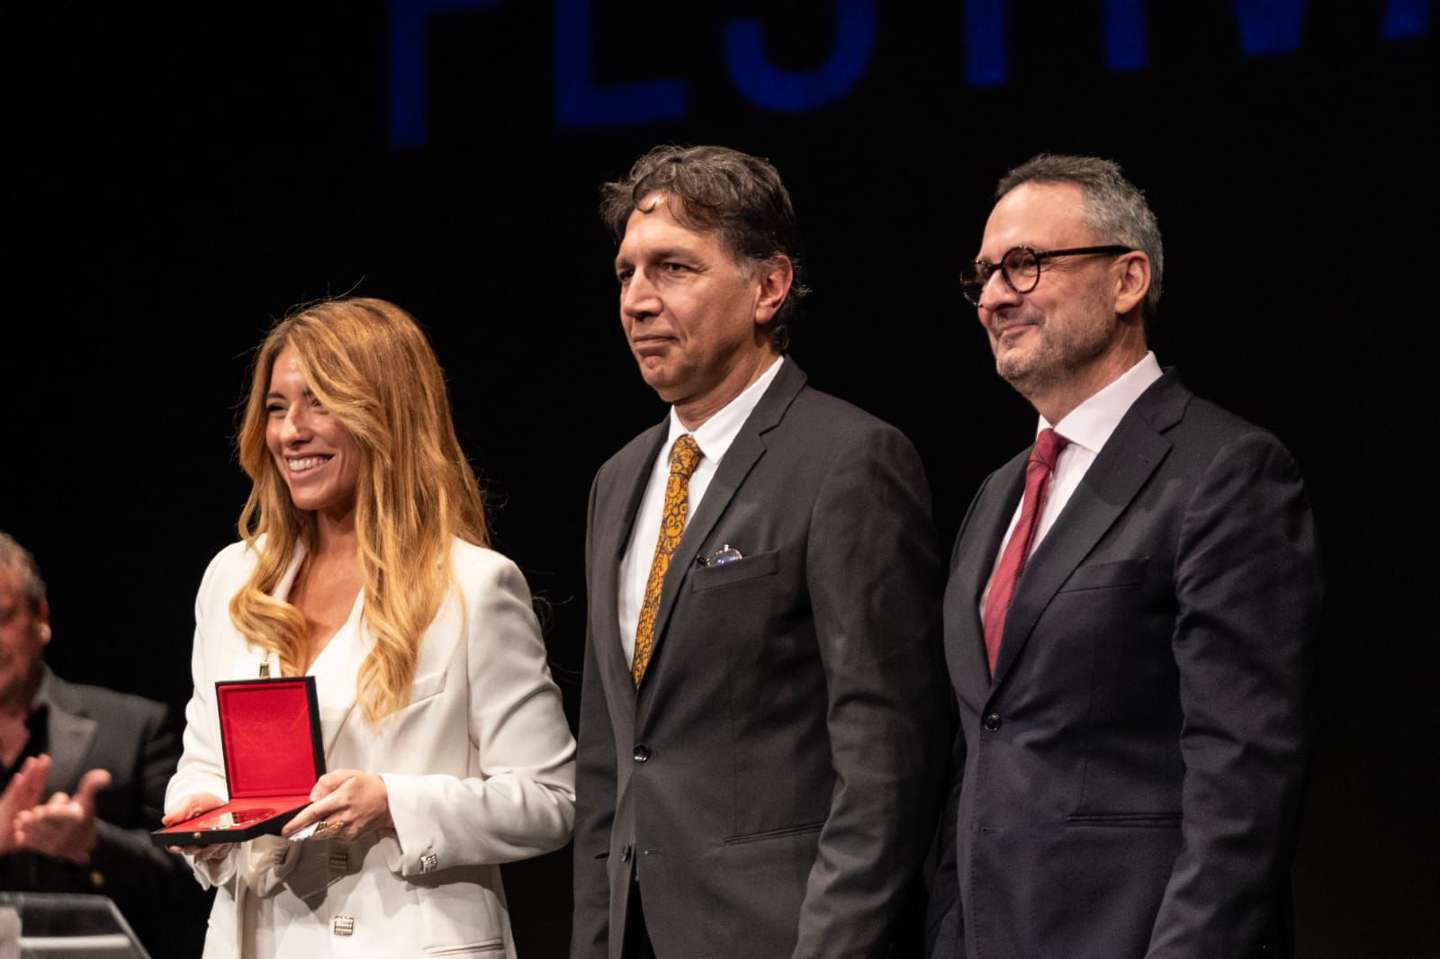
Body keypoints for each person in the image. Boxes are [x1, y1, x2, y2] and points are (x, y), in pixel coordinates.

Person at [927, 154, 1322, 958]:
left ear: (1128, 279)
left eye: (1026, 264)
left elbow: (1242, 782)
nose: (996, 295)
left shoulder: (1226, 471)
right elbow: (982, 749)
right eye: (983, 276)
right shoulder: (997, 494)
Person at [571, 144, 951, 958]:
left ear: (769, 287)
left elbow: (886, 764)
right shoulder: (617, 480)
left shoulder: (848, 460)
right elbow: (610, 762)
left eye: (673, 268)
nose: (637, 300)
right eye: (626, 273)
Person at [163, 297, 576, 957]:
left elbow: (552, 799)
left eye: (319, 401)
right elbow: (202, 761)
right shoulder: (234, 581)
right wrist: (199, 813)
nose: (291, 430)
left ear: (388, 413)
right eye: (276, 407)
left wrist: (394, 801)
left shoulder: (471, 586)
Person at [0, 531, 198, 953]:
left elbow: (194, 874)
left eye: (1, 617)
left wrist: (93, 842)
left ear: (42, 617)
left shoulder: (133, 727)